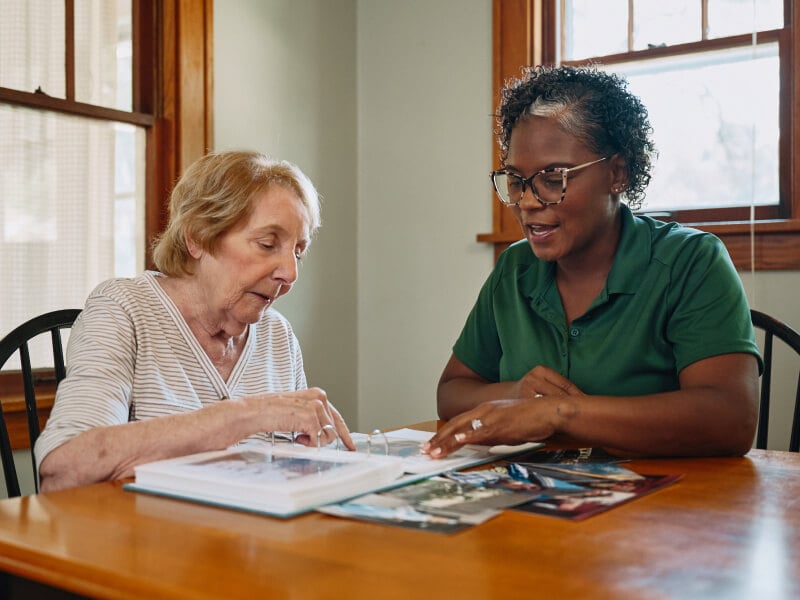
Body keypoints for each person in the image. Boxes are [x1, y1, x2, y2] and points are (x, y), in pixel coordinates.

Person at [423, 65, 761, 460]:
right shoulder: (515, 269)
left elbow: (730, 421)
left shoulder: (690, 261)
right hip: (542, 499)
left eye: (554, 178)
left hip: (670, 507)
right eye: (516, 180)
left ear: (617, 173)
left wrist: (558, 412)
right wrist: (513, 394)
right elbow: (451, 393)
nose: (528, 202)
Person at [35, 150, 354, 491]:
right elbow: (63, 469)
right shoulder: (123, 309)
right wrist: (244, 416)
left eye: (298, 253)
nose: (290, 274)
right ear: (198, 237)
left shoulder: (277, 334)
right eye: (266, 244)